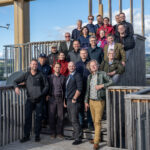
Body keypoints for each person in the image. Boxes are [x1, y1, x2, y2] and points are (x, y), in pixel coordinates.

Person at [14, 59, 49, 143]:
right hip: (29, 100)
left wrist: (41, 94)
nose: (34, 66)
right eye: (33, 64)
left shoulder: (41, 74)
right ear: (30, 65)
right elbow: (15, 81)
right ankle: (26, 136)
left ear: (37, 65)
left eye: (36, 64)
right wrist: (16, 87)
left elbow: (46, 86)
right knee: (27, 118)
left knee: (38, 118)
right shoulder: (26, 74)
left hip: (39, 100)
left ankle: (37, 135)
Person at [84, 60, 112, 150]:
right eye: (91, 65)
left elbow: (111, 82)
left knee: (97, 121)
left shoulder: (102, 74)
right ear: (90, 67)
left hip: (99, 101)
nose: (93, 66)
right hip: (91, 101)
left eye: (95, 65)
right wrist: (86, 101)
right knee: (94, 121)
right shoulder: (89, 76)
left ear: (97, 65)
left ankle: (96, 142)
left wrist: (102, 85)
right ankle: (98, 138)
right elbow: (87, 90)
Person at [65, 62, 83, 145]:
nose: (71, 67)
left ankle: (78, 138)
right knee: (71, 119)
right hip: (68, 100)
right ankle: (74, 135)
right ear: (68, 67)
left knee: (75, 119)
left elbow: (79, 88)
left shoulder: (77, 75)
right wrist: (65, 101)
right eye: (70, 66)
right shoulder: (68, 76)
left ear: (75, 67)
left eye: (73, 66)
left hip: (74, 101)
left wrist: (74, 98)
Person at [47, 62, 66, 139]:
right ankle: (53, 132)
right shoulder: (49, 77)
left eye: (59, 67)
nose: (57, 68)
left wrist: (64, 99)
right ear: (54, 68)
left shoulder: (63, 78)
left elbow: (65, 89)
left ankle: (59, 133)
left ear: (60, 68)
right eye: (56, 67)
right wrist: (47, 95)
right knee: (51, 116)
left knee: (60, 116)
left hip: (60, 99)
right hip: (52, 98)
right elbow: (46, 87)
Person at [76, 49, 93, 129]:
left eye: (85, 53)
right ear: (80, 54)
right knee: (80, 106)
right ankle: (81, 123)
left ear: (87, 54)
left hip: (89, 86)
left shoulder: (90, 63)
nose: (83, 55)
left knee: (89, 105)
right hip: (80, 87)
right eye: (82, 53)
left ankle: (90, 123)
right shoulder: (77, 64)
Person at [38, 53, 51, 128]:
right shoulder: (36, 66)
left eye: (44, 58)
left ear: (46, 59)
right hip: (37, 90)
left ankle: (44, 121)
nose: (42, 59)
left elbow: (50, 80)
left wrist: (48, 93)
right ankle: (39, 121)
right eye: (41, 58)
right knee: (38, 106)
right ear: (39, 58)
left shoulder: (48, 67)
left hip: (45, 90)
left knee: (45, 107)